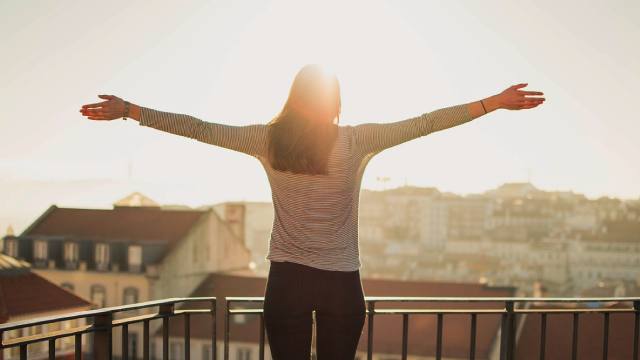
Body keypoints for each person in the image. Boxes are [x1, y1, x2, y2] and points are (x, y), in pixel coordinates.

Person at [79, 64, 545, 359]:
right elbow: (424, 124)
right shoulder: (357, 140)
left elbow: (199, 129)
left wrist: (130, 110)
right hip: (342, 283)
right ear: (335, 102)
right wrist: (492, 104)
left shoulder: (266, 139)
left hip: (287, 282)